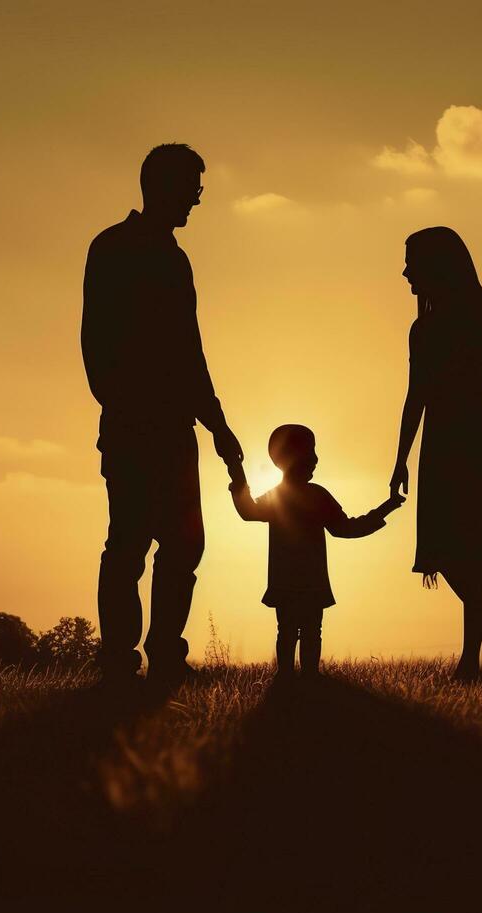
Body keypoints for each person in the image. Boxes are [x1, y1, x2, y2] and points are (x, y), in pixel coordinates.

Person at [81, 143, 244, 687]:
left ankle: (165, 656)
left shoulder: (175, 259)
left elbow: (189, 353)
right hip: (134, 424)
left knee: (182, 543)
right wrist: (125, 406)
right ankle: (120, 660)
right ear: (162, 187)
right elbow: (96, 344)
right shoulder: (112, 249)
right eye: (192, 191)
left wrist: (216, 424)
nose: (196, 202)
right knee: (129, 542)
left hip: (175, 427)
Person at [388, 227, 482, 680]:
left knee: (464, 551)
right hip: (443, 442)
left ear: (435, 266)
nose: (405, 271)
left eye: (412, 262)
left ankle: (476, 656)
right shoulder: (422, 328)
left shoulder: (480, 318)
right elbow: (415, 397)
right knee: (451, 552)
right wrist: (400, 458)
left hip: (467, 438)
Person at [230, 424, 404, 678]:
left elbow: (249, 511)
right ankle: (301, 676)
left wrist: (237, 479)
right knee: (305, 630)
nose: (315, 459)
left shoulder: (289, 496)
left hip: (290, 580)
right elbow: (346, 528)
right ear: (291, 458)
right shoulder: (312, 496)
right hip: (306, 581)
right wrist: (384, 511)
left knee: (290, 630)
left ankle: (290, 676)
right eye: (309, 451)